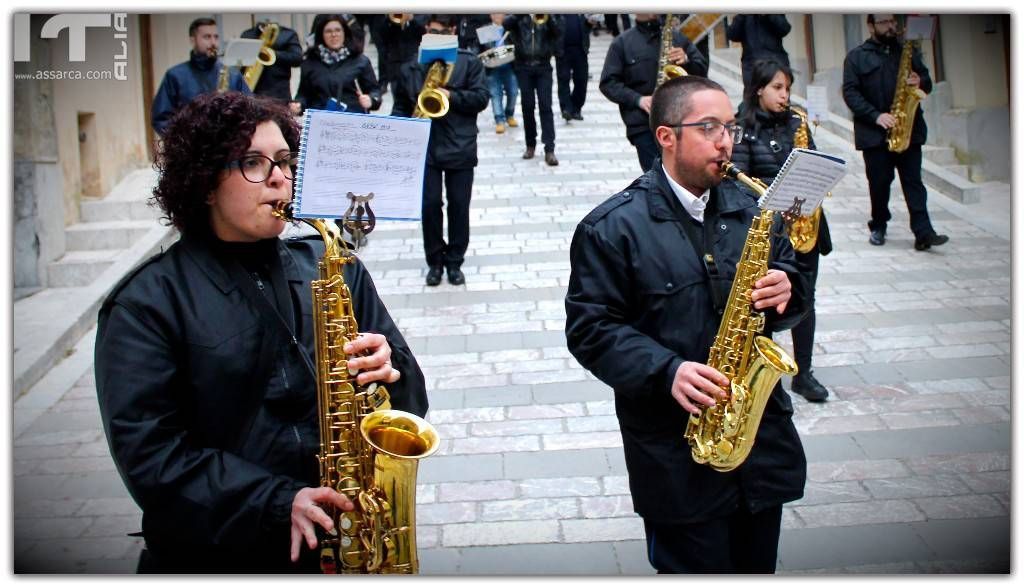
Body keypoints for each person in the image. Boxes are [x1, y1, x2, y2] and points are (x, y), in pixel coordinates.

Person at [95, 91, 428, 572]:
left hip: (348, 543)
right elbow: (150, 456)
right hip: (218, 558)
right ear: (205, 183)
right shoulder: (146, 304)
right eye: (253, 162)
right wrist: (276, 501)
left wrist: (390, 371)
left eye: (285, 161)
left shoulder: (333, 264)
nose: (279, 177)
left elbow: (410, 411)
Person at [565, 75, 809, 573]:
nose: (727, 141)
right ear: (666, 137)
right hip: (675, 454)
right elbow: (590, 329)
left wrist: (788, 289)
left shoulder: (753, 209)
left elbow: (795, 287)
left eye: (731, 128)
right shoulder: (610, 228)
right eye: (710, 127)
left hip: (759, 448)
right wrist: (667, 370)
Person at [730, 59, 832, 403]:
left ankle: (804, 373)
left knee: (807, 299)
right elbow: (738, 179)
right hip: (767, 230)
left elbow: (815, 162)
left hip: (805, 226)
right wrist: (781, 192)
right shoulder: (741, 125)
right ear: (759, 88)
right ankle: (764, 375)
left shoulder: (797, 122)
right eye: (777, 87)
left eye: (787, 88)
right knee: (766, 301)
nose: (784, 95)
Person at [391, 15, 490, 287]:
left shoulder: (468, 61)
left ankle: (455, 261)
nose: (438, 35)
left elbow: (482, 98)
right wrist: (399, 125)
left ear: (454, 31)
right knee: (430, 206)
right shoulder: (412, 66)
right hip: (423, 148)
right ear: (426, 31)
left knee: (459, 206)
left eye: (444, 31)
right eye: (434, 31)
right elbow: (400, 105)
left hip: (460, 145)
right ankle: (434, 262)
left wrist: (452, 96)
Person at [843, 14, 948, 251]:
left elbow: (927, 84)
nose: (891, 26)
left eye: (893, 21)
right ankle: (879, 224)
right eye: (884, 22)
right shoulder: (856, 57)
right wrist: (876, 116)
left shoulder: (907, 52)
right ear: (870, 26)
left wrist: (918, 81)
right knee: (879, 183)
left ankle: (924, 232)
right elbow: (850, 93)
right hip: (874, 132)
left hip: (908, 129)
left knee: (914, 182)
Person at [599, 14, 708, 172]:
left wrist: (686, 60)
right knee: (655, 177)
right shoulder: (622, 43)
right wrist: (638, 100)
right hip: (643, 124)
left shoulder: (676, 38)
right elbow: (608, 83)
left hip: (679, 121)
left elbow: (702, 72)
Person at [151, 17, 250, 136]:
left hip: (229, 147)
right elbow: (161, 119)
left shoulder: (233, 74)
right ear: (193, 40)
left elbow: (250, 109)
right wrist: (182, 141)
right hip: (190, 149)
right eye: (207, 37)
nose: (213, 43)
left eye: (216, 37)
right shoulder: (174, 75)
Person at [503, 14, 563, 166]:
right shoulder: (519, 14)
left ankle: (550, 149)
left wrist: (549, 17)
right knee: (527, 106)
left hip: (543, 66)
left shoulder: (547, 13)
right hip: (523, 66)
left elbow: (559, 31)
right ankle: (530, 145)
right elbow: (505, 24)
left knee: (546, 106)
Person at [294, 15, 382, 115]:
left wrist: (371, 100)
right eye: (328, 31)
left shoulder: (360, 61)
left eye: (338, 30)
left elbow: (375, 91)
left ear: (345, 32)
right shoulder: (310, 63)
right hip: (320, 121)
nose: (334, 35)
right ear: (321, 35)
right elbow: (303, 93)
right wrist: (299, 105)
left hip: (352, 120)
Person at [239, 20, 304, 114]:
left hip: (279, 97)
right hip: (253, 97)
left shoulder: (288, 34)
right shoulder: (248, 34)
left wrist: (272, 54)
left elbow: (297, 58)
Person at [726, 14, 791, 93]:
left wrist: (768, 14)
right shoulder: (744, 15)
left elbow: (785, 28)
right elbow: (732, 35)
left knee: (778, 95)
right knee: (752, 98)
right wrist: (742, 15)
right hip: (751, 66)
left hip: (775, 63)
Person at [477, 14, 519, 134]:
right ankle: (499, 120)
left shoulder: (509, 28)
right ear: (491, 15)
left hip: (509, 66)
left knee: (513, 92)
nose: (497, 16)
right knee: (495, 94)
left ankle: (509, 114)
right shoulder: (487, 29)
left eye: (500, 13)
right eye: (495, 13)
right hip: (492, 67)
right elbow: (480, 48)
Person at [555, 14, 592, 123]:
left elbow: (588, 26)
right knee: (563, 80)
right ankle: (566, 108)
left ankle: (576, 108)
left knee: (581, 79)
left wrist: (591, 22)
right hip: (562, 51)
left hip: (580, 49)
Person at [379, 14, 426, 95]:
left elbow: (423, 32)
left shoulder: (421, 15)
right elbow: (382, 35)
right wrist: (388, 19)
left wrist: (412, 20)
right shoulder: (390, 19)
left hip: (415, 65)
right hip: (396, 66)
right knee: (398, 98)